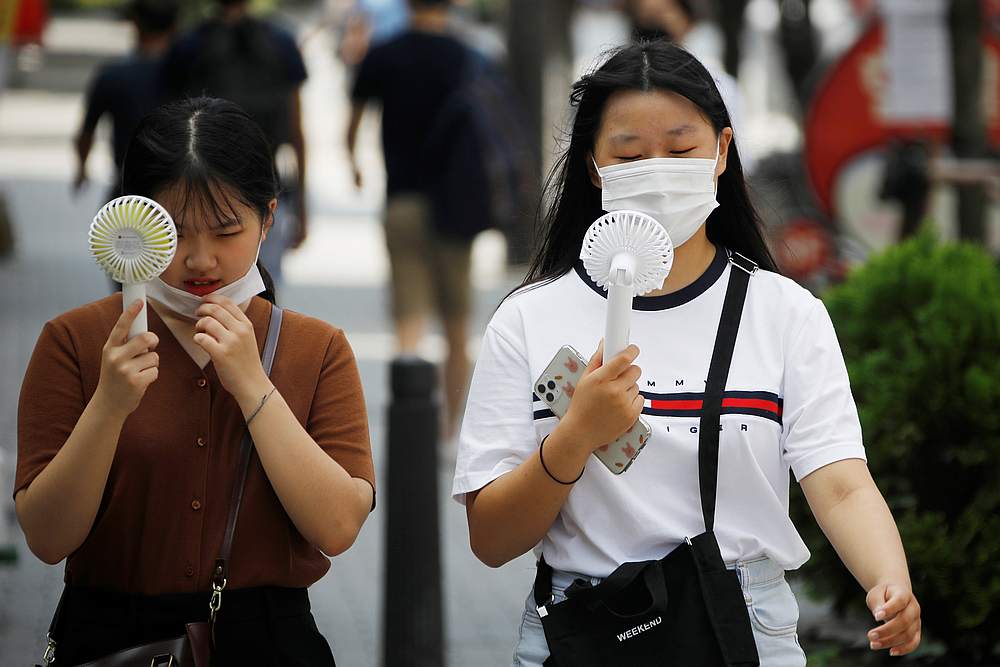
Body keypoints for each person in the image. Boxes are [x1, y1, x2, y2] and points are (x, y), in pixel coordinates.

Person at [452, 41, 921, 665]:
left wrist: (887, 580)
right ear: (594, 165)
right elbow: (491, 537)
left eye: (680, 149)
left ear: (722, 151)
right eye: (629, 153)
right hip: (584, 627)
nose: (657, 168)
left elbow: (837, 482)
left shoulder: (783, 312)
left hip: (744, 625)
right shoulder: (529, 319)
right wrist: (574, 438)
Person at [15, 97, 375, 666]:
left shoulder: (317, 347)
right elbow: (47, 537)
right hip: (113, 639)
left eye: (227, 231)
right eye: (175, 233)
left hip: (268, 641)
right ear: (133, 219)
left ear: (269, 217)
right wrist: (108, 406)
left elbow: (336, 525)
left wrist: (253, 386)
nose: (201, 259)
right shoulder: (74, 341)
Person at [347, 0, 475, 440]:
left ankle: (409, 419)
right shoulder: (464, 55)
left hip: (402, 198)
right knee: (457, 319)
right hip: (456, 201)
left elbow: (355, 116)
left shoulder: (385, 53)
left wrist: (354, 163)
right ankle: (448, 429)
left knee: (408, 314)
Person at [162, 0, 309, 289]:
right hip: (265, 183)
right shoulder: (281, 42)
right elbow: (296, 130)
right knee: (261, 287)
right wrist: (303, 207)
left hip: (193, 187)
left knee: (192, 288)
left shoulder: (189, 44)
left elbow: (166, 122)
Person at [73, 0, 178, 199]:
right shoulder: (189, 75)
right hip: (181, 191)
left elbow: (86, 132)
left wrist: (82, 169)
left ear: (135, 23)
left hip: (128, 190)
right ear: (175, 26)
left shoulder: (113, 76)